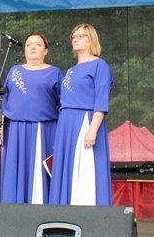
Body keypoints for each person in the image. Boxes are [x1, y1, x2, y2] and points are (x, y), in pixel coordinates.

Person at [48, 23, 114, 206]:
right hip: (66, 124)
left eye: (81, 36)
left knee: (85, 168)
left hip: (85, 122)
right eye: (73, 36)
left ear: (91, 39)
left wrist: (92, 130)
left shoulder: (100, 66)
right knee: (68, 169)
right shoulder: (71, 70)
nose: (75, 39)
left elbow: (101, 101)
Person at [0, 32, 61, 204]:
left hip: (45, 129)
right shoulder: (14, 71)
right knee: (16, 170)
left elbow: (61, 102)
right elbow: (6, 98)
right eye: (29, 44)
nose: (33, 47)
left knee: (42, 172)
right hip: (16, 130)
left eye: (38, 44)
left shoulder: (54, 72)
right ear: (24, 50)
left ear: (46, 51)